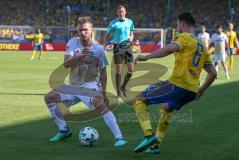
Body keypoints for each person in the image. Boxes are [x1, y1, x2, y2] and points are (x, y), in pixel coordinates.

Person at [132, 12, 217, 154]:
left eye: (178, 24)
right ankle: (155, 146)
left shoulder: (184, 37)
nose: (177, 27)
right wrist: (201, 89)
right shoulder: (202, 46)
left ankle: (148, 136)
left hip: (176, 84)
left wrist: (146, 57)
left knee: (138, 99)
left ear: (182, 24)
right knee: (166, 108)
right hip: (191, 91)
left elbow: (170, 48)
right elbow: (213, 72)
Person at [44, 17, 127, 147]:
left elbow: (103, 72)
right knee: (49, 97)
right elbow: (66, 65)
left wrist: (103, 92)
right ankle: (64, 130)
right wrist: (80, 56)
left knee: (100, 103)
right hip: (73, 86)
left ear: (91, 31)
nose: (83, 32)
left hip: (89, 85)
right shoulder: (72, 43)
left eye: (85, 30)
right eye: (80, 30)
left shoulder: (98, 49)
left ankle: (119, 138)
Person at [104, 5, 135, 97]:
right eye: (119, 12)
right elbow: (107, 35)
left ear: (125, 12)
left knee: (131, 70)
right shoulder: (113, 23)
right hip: (118, 47)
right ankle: (118, 92)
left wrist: (131, 37)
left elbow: (132, 32)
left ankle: (123, 86)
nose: (121, 13)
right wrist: (104, 45)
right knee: (119, 69)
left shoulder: (130, 22)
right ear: (118, 13)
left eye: (122, 11)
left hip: (128, 47)